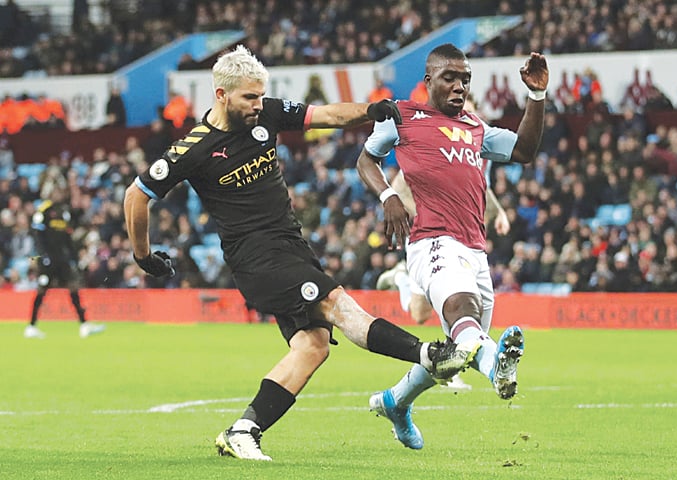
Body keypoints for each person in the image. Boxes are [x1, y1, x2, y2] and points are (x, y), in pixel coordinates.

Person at [122, 45, 477, 462]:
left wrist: (371, 109)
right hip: (257, 258)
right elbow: (137, 194)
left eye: (260, 96)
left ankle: (243, 430)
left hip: (291, 246)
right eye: (249, 98)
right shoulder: (194, 149)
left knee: (312, 345)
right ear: (221, 95)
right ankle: (432, 355)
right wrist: (143, 256)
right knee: (337, 305)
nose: (259, 105)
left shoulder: (267, 114)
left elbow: (324, 116)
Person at [356, 43, 548, 449]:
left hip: (475, 249)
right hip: (431, 241)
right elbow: (366, 160)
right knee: (464, 315)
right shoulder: (402, 117)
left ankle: (396, 402)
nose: (459, 86)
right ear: (429, 81)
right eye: (450, 78)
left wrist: (536, 96)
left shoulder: (476, 128)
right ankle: (496, 363)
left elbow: (526, 151)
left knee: (457, 348)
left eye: (465, 79)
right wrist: (388, 197)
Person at [24, 188, 105, 339]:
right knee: (42, 289)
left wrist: (73, 257)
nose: (58, 194)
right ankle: (31, 326)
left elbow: (68, 239)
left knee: (73, 288)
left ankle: (84, 325)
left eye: (60, 191)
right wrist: (43, 256)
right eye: (56, 191)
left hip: (62, 259)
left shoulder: (64, 212)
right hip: (48, 258)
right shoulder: (44, 210)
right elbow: (37, 234)